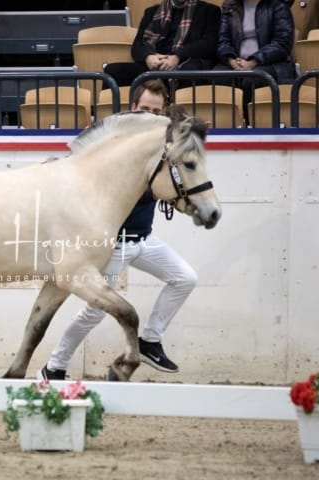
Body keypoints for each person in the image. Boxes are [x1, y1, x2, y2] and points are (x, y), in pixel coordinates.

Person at [39, 78, 198, 380]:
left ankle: (149, 341)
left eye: (155, 111)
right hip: (113, 244)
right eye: (144, 109)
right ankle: (54, 368)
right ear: (132, 107)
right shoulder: (114, 144)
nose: (148, 116)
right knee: (93, 312)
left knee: (185, 278)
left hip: (144, 239)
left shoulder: (159, 149)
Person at [103, 0, 222, 87]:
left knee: (189, 73)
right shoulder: (152, 12)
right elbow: (137, 45)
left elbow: (209, 44)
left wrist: (177, 57)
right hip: (155, 65)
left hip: (185, 64)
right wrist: (148, 57)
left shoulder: (209, 11)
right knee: (112, 71)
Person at [213, 0, 296, 120]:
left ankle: (250, 124)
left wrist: (253, 61)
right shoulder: (230, 7)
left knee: (252, 80)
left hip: (271, 63)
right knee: (218, 76)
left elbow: (282, 43)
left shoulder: (278, 5)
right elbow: (223, 40)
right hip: (237, 62)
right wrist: (231, 60)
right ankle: (227, 124)